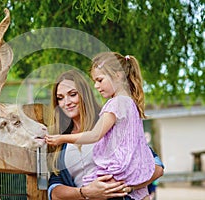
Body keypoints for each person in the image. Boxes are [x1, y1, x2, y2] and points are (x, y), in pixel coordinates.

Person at [46, 68, 164, 200]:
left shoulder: (110, 123)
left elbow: (157, 167)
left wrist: (125, 186)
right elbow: (54, 191)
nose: (67, 102)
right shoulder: (59, 141)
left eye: (73, 94)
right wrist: (85, 192)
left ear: (85, 94)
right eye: (60, 98)